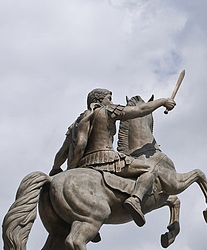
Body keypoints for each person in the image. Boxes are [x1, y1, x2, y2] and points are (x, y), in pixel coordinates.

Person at [49, 88, 175, 226]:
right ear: (100, 100)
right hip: (107, 159)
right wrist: (162, 101)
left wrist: (56, 169)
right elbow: (139, 111)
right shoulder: (108, 110)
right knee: (150, 170)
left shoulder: (77, 123)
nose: (111, 101)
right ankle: (136, 199)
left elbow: (62, 152)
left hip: (85, 164)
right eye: (109, 98)